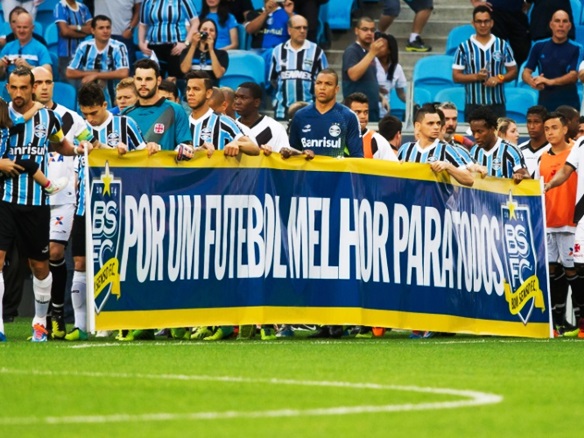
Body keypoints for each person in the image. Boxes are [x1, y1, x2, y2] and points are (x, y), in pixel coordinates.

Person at [0, 66, 92, 342]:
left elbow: (60, 144)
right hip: (4, 199)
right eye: (14, 88)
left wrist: (78, 149)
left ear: (32, 88)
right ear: (7, 88)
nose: (18, 93)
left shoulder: (49, 118)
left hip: (37, 203)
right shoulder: (1, 113)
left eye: (23, 87)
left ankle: (40, 323)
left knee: (40, 266)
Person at [66, 82, 149, 341]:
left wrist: (123, 154)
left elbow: (145, 158)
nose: (90, 119)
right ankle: (80, 326)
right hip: (85, 207)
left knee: (121, 263)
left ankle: (122, 320)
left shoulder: (126, 125)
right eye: (85, 113)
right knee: (80, 263)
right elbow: (72, 160)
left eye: (94, 113)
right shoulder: (79, 128)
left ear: (105, 105)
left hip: (119, 208)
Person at [32, 66, 99, 339]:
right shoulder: (23, 119)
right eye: (39, 82)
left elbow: (91, 143)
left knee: (56, 253)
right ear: (31, 86)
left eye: (48, 82)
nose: (44, 87)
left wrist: (89, 147)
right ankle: (44, 318)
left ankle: (58, 316)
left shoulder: (71, 118)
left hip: (64, 197)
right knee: (37, 261)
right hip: (32, 197)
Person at [535, 112, 579, 337]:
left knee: (573, 270)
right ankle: (556, 322)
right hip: (548, 222)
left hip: (571, 222)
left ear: (565, 129)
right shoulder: (541, 157)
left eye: (554, 128)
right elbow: (535, 187)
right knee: (550, 270)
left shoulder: (577, 152)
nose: (550, 132)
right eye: (547, 129)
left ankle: (580, 322)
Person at [544, 128, 584, 340]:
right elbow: (566, 170)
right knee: (579, 267)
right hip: (580, 216)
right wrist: (550, 184)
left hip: (569, 223)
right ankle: (580, 322)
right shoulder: (580, 145)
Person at [453, 5, 517, 121]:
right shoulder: (464, 47)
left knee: (499, 132)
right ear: (473, 23)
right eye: (479, 21)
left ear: (492, 23)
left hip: (497, 104)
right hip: (473, 105)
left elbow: (513, 71)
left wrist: (499, 78)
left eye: (486, 21)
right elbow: (456, 76)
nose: (483, 25)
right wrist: (476, 77)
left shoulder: (502, 45)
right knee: (473, 133)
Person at [287, 68, 363, 160]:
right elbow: (293, 154)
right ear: (314, 86)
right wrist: (302, 154)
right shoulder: (300, 116)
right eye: (319, 83)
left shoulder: (348, 116)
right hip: (309, 169)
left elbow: (357, 157)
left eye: (328, 84)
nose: (322, 87)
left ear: (336, 89)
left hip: (336, 169)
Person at [123, 58, 192, 151]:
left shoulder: (176, 110)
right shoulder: (125, 114)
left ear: (158, 80)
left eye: (148, 79)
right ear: (134, 80)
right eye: (139, 79)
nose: (143, 83)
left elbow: (186, 147)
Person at [398, 105, 474, 187]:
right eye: (430, 123)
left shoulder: (446, 149)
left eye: (438, 123)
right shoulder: (405, 149)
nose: (436, 127)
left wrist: (448, 167)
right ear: (418, 126)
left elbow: (469, 180)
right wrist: (399, 168)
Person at [269, 14, 327, 120]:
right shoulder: (277, 51)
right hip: (282, 111)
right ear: (289, 30)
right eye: (298, 28)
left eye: (305, 28)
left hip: (311, 111)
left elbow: (326, 80)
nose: (302, 31)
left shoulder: (317, 51)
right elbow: (273, 80)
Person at [522, 10, 582, 112]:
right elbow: (526, 72)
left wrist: (549, 82)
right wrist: (532, 82)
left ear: (569, 26)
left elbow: (573, 76)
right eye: (557, 21)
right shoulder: (538, 46)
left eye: (564, 21)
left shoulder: (577, 48)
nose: (561, 25)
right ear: (551, 25)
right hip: (545, 103)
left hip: (569, 104)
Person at [66, 15, 130, 107]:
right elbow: (69, 72)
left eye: (108, 27)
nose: (105, 31)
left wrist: (96, 75)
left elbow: (124, 73)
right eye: (101, 28)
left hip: (112, 98)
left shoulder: (119, 47)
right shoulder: (84, 46)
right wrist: (91, 74)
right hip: (87, 96)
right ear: (93, 30)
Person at [138, 0, 199, 80]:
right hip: (154, 47)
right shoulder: (148, 1)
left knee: (176, 80)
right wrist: (141, 43)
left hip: (176, 48)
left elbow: (195, 22)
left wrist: (185, 43)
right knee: (154, 79)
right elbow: (142, 24)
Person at [467, 106, 529, 183]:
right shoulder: (474, 151)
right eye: (473, 132)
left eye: (480, 132)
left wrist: (520, 176)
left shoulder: (510, 150)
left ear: (492, 128)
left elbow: (527, 176)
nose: (476, 136)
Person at [342, 17, 384, 122]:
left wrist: (380, 97)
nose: (369, 33)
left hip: (371, 109)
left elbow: (369, 81)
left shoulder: (369, 52)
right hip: (356, 111)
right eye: (365, 29)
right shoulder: (352, 51)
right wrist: (372, 53)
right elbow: (353, 75)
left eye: (372, 30)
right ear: (356, 31)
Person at [469, 0, 530, 68]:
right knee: (495, 50)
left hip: (517, 13)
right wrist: (475, 2)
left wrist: (526, 2)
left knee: (523, 51)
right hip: (496, 12)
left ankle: (520, 73)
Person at [234, 81, 289, 153]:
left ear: (256, 102)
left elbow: (283, 155)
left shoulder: (275, 128)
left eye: (243, 98)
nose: (237, 102)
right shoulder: (231, 126)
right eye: (236, 97)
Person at [344, 92, 398, 161]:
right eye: (357, 112)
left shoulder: (378, 141)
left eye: (366, 112)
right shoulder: (335, 137)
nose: (363, 116)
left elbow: (393, 166)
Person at [0, 11, 52, 77]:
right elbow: (1, 76)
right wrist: (1, 66)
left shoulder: (40, 48)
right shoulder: (8, 47)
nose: (21, 30)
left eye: (25, 27)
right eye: (19, 27)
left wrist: (29, 67)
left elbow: (48, 72)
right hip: (11, 82)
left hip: (32, 83)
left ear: (32, 28)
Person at [94, 0, 141, 70]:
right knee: (99, 69)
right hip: (101, 36)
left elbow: (139, 11)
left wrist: (130, 29)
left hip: (123, 36)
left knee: (126, 70)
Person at [179, 18, 228, 85]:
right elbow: (184, 70)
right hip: (192, 88)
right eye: (204, 29)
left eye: (211, 30)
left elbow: (218, 74)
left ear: (215, 35)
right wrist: (193, 45)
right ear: (198, 32)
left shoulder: (222, 54)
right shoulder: (186, 52)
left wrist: (211, 50)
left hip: (212, 88)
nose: (207, 33)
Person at [54, 0, 93, 84]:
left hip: (83, 55)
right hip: (66, 56)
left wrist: (76, 27)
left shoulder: (83, 7)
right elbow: (65, 32)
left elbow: (91, 29)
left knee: (83, 87)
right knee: (69, 88)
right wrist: (83, 34)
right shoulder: (60, 6)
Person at [374, 33, 406, 119]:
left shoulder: (397, 68)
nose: (377, 48)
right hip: (370, 110)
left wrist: (413, 104)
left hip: (385, 112)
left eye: (381, 46)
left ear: (389, 50)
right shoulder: (371, 63)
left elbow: (401, 93)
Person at [519, 105, 550, 177]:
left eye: (536, 122)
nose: (532, 126)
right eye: (529, 122)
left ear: (545, 124)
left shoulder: (553, 149)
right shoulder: (519, 150)